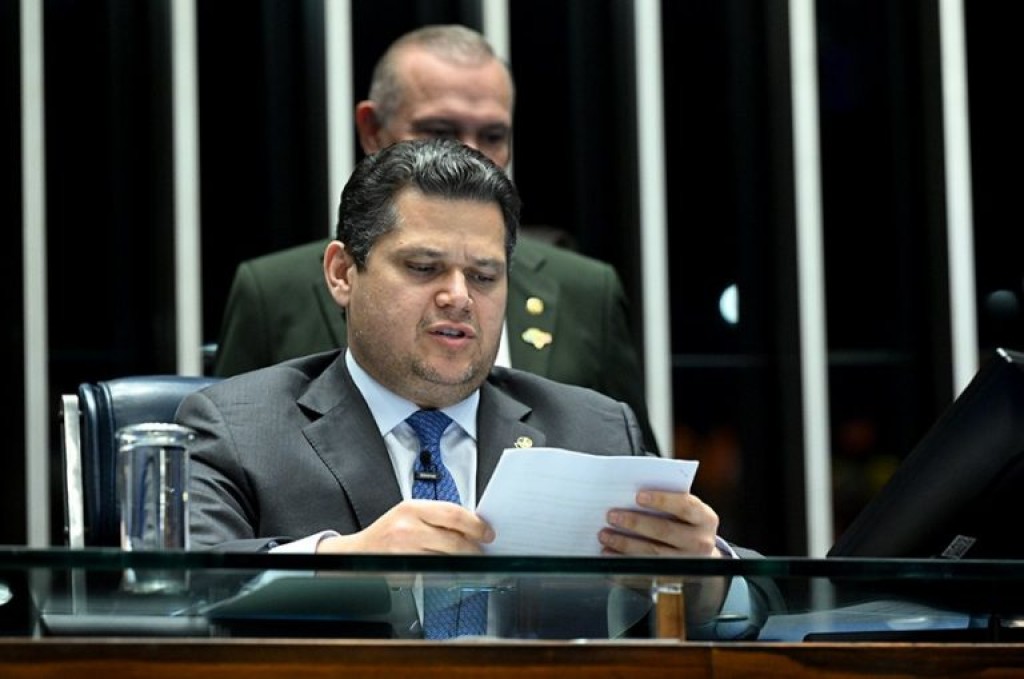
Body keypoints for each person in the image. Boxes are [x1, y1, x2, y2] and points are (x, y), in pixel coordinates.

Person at [178, 139, 780, 640]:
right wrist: (341, 563)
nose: (459, 297)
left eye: (485, 275)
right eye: (423, 268)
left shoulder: (592, 428)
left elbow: (765, 598)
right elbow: (181, 591)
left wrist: (708, 581)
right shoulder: (239, 426)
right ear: (342, 273)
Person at [211, 24, 660, 453]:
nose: (469, 153)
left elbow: (634, 471)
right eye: (440, 132)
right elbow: (240, 443)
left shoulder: (588, 291)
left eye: (493, 135)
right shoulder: (273, 293)